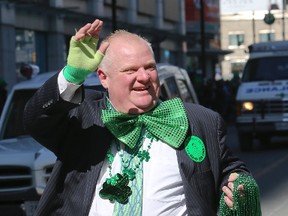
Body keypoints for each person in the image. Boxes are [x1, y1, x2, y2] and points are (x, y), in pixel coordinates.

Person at [23, 19, 261, 216]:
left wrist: (237, 182)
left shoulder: (199, 120)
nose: (144, 77)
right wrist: (73, 75)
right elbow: (35, 119)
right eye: (130, 70)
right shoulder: (83, 115)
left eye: (150, 67)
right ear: (103, 77)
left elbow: (230, 167)